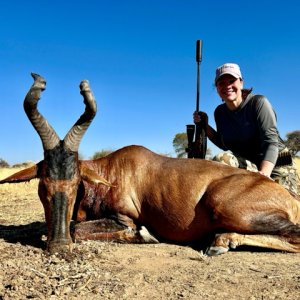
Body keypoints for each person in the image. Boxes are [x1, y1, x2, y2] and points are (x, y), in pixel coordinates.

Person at [194, 63, 299, 194]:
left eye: (232, 81)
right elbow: (224, 144)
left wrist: (263, 177)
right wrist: (205, 125)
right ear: (217, 88)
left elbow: (271, 142)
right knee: (222, 159)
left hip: (277, 164)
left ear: (241, 83)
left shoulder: (258, 103)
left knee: (287, 205)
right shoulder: (219, 112)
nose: (227, 86)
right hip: (251, 164)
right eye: (221, 83)